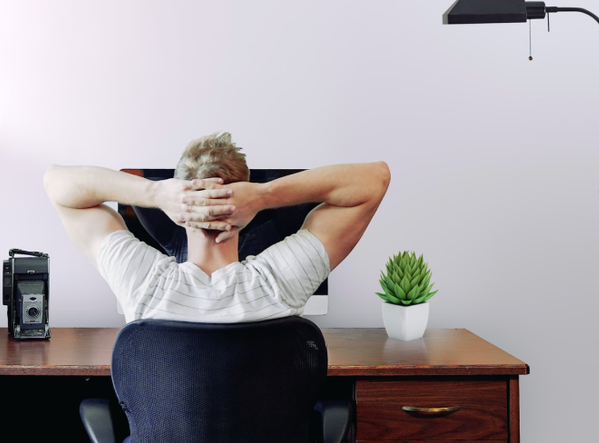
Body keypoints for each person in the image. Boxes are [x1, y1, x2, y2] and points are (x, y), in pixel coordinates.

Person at [43, 132, 390, 323]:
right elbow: (375, 180)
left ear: (179, 208)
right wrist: (265, 195)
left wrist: (155, 192)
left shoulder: (142, 284)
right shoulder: (280, 282)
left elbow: (56, 184)